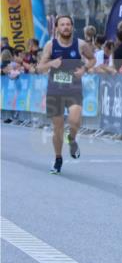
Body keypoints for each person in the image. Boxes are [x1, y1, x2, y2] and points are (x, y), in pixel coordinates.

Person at [36, 14, 95, 174]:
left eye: (68, 24)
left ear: (72, 27)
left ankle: (72, 139)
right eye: (62, 24)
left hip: (74, 89)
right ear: (57, 28)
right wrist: (51, 63)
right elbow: (39, 67)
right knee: (58, 128)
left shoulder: (80, 44)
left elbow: (92, 59)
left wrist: (84, 69)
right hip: (55, 90)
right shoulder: (50, 45)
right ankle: (58, 159)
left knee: (74, 121)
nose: (66, 27)